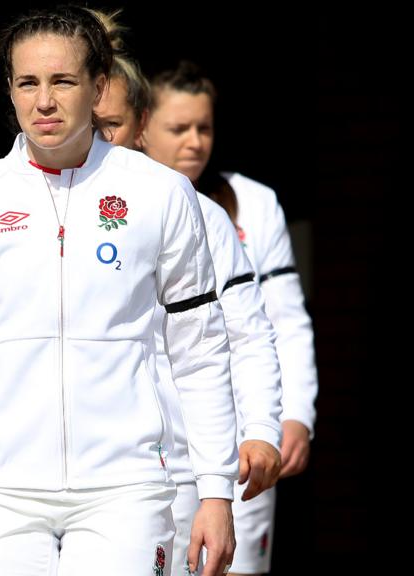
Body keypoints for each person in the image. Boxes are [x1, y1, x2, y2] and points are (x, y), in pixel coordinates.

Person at [0, 6, 239, 576]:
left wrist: (215, 489)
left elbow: (200, 349)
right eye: (28, 83)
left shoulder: (161, 194)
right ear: (9, 91)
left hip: (126, 487)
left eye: (63, 81)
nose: (45, 101)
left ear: (99, 86)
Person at [92, 13, 285, 575]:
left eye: (113, 124)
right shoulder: (26, 216)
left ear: (141, 124)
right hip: (66, 482)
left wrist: (262, 429)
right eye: (92, 124)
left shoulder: (200, 215)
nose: (101, 138)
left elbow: (251, 334)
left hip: (182, 468)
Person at [139, 60, 319, 575]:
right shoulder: (118, 203)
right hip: (152, 447)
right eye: (179, 128)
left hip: (240, 438)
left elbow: (283, 320)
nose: (194, 141)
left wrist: (294, 415)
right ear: (143, 126)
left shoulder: (255, 204)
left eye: (204, 127)